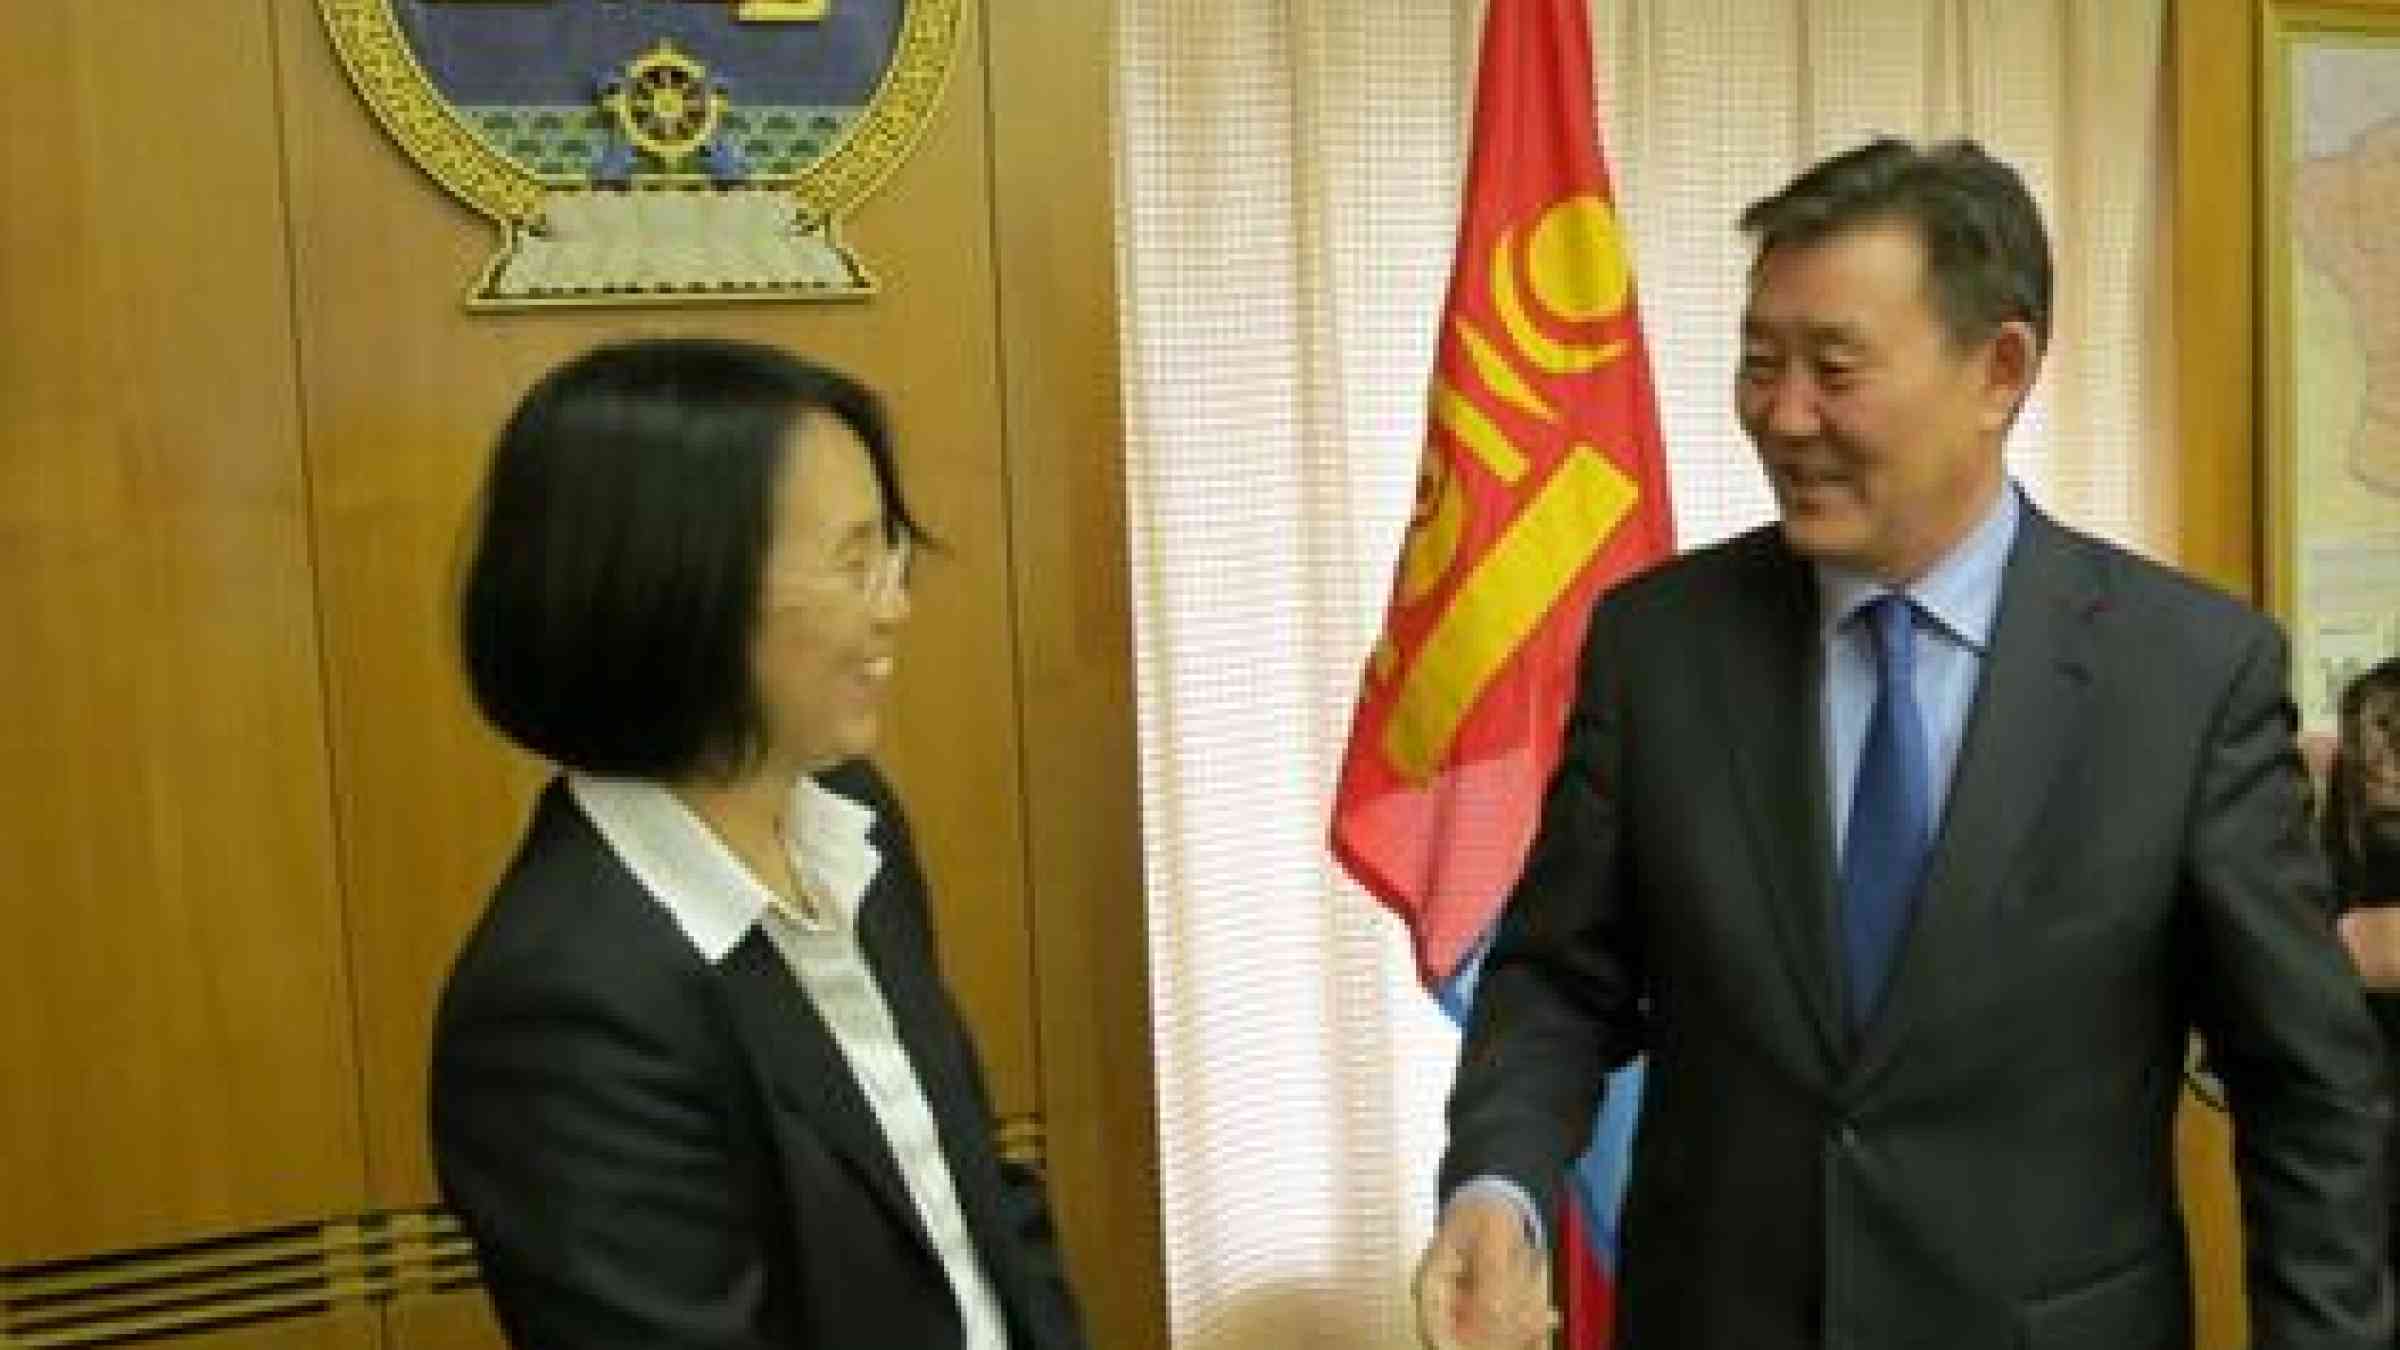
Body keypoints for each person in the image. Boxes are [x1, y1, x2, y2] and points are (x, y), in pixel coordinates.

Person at [1414, 138, 2390, 1350]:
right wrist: (1496, 1185)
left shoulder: (2185, 679)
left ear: (2002, 369)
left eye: (1835, 368)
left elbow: (2308, 1095)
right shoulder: (1658, 648)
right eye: (1759, 363)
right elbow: (1558, 976)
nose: (1782, 414)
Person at [432, 337, 1086, 1349]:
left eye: (891, 556)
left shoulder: (849, 822)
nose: (894, 610)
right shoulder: (564, 1010)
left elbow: (974, 1198)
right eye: (851, 562)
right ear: (678, 588)